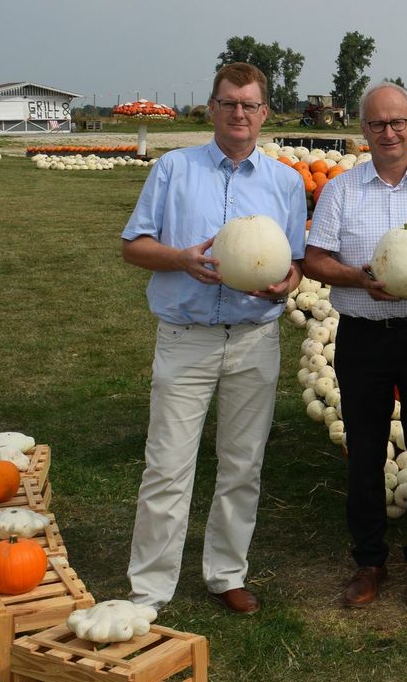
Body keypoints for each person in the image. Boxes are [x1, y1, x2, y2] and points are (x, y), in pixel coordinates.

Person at [122, 62, 306, 615]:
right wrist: (180, 258)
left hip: (255, 340)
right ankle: (150, 589)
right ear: (212, 108)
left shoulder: (286, 182)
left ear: (264, 112)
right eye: (229, 103)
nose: (239, 113)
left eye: (249, 104)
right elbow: (133, 246)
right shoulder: (174, 170)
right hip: (187, 338)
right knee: (167, 466)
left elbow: (295, 265)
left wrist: (285, 286)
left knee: (242, 464)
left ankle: (227, 573)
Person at [303, 81, 407, 611]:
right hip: (364, 335)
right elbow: (314, 261)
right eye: (377, 123)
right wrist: (357, 277)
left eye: (398, 121)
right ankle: (369, 559)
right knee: (366, 449)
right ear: (364, 130)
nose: (389, 132)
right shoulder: (342, 190)